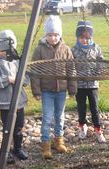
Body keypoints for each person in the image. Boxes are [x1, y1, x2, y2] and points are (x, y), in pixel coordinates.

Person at [31, 15, 77, 159]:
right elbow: (35, 71)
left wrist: (72, 89)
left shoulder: (66, 49)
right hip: (46, 91)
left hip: (61, 90)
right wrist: (36, 91)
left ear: (60, 35)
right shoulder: (39, 50)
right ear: (46, 35)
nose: (53, 38)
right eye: (50, 35)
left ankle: (59, 141)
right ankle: (45, 144)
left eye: (56, 35)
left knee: (60, 117)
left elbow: (71, 69)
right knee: (47, 118)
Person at [0, 29, 29, 164]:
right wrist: (7, 79)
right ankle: (7, 152)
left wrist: (19, 79)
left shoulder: (17, 62)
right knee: (7, 128)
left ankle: (17, 148)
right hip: (5, 102)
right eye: (5, 52)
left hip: (19, 102)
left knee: (19, 127)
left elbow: (26, 79)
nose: (7, 54)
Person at [71, 20, 105, 143]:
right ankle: (82, 126)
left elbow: (101, 62)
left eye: (87, 38)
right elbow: (71, 66)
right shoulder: (74, 50)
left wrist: (99, 71)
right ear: (77, 37)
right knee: (81, 107)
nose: (85, 40)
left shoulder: (96, 48)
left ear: (91, 37)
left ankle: (98, 129)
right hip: (79, 85)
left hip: (93, 84)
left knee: (95, 108)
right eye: (82, 38)